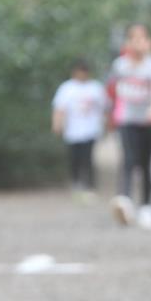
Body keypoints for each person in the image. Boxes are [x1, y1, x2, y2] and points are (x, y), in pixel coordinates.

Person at [108, 23, 151, 228]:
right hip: (127, 120)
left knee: (145, 163)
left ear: (150, 43)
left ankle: (145, 206)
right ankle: (124, 201)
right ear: (127, 42)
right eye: (133, 38)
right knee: (127, 159)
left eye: (142, 38)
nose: (137, 43)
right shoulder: (120, 65)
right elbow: (113, 90)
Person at [51, 59, 108, 199]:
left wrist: (107, 124)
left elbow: (105, 107)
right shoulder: (67, 88)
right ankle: (76, 183)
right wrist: (57, 123)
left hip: (90, 130)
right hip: (73, 131)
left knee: (88, 158)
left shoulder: (95, 88)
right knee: (74, 158)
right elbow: (59, 107)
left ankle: (90, 185)